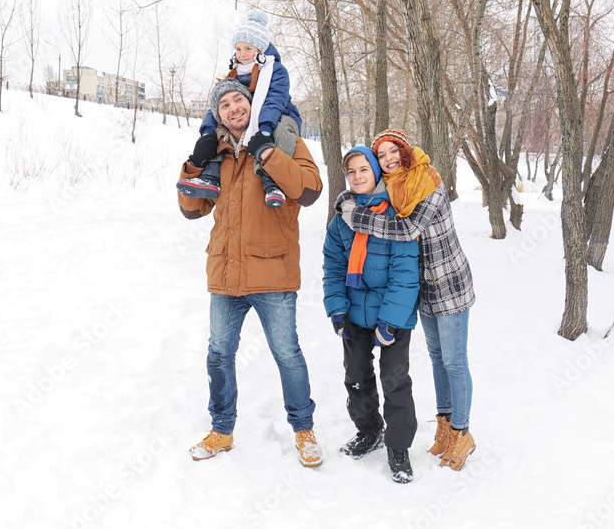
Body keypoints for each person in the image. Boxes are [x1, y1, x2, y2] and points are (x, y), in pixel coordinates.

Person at [179, 77, 323, 467]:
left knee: (286, 354)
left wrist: (268, 152)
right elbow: (192, 209)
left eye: (237, 100)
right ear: (217, 115)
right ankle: (222, 431)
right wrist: (195, 162)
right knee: (218, 354)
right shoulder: (218, 152)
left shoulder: (283, 138)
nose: (232, 108)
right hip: (226, 274)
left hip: (272, 272)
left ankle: (304, 430)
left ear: (251, 104)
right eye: (223, 104)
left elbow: (309, 190)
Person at [338, 129, 477, 471]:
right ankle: (444, 425)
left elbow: (404, 230)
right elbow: (366, 193)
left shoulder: (426, 180)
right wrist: (348, 200)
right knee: (436, 358)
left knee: (454, 361)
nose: (387, 159)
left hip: (449, 285)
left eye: (392, 151)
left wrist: (356, 217)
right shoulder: (396, 187)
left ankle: (462, 432)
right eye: (380, 155)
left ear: (405, 150)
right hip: (424, 288)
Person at [323, 147, 420, 483]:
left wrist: (390, 320)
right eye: (351, 172)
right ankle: (369, 431)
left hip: (394, 315)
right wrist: (336, 309)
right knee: (357, 377)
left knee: (395, 382)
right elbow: (332, 267)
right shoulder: (341, 218)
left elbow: (405, 273)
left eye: (364, 169)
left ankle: (398, 447)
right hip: (354, 313)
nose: (358, 176)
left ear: (376, 172)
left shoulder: (396, 214)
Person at [177, 9, 301, 207]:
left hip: (278, 114)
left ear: (260, 50)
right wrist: (207, 131)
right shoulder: (234, 73)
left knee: (282, 131)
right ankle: (210, 176)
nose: (242, 54)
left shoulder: (275, 70)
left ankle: (272, 181)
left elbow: (275, 99)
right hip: (248, 117)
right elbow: (219, 103)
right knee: (220, 132)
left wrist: (266, 126)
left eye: (248, 49)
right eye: (238, 48)